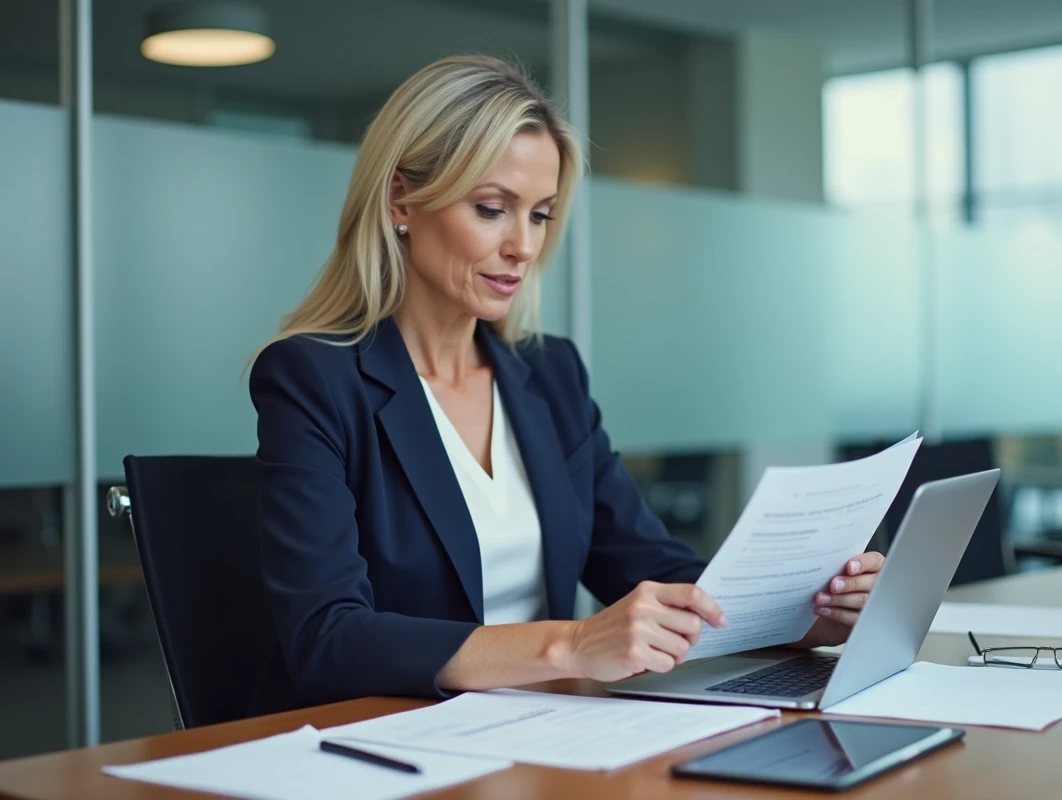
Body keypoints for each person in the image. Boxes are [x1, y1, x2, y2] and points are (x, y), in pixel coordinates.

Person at [247, 55, 884, 714]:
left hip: (541, 733)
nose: (523, 246)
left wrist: (808, 615)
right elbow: (327, 637)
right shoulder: (313, 377)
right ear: (400, 200)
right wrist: (571, 646)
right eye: (493, 209)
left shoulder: (550, 376)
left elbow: (645, 565)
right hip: (382, 740)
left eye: (541, 215)